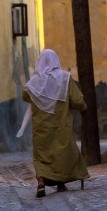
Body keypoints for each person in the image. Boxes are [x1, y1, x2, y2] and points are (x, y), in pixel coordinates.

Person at [17, 49, 89, 198]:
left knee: (42, 156)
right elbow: (77, 101)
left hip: (41, 129)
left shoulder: (35, 81)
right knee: (62, 154)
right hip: (61, 127)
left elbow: (25, 95)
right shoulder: (65, 78)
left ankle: (41, 181)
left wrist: (40, 91)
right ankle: (60, 182)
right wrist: (84, 108)